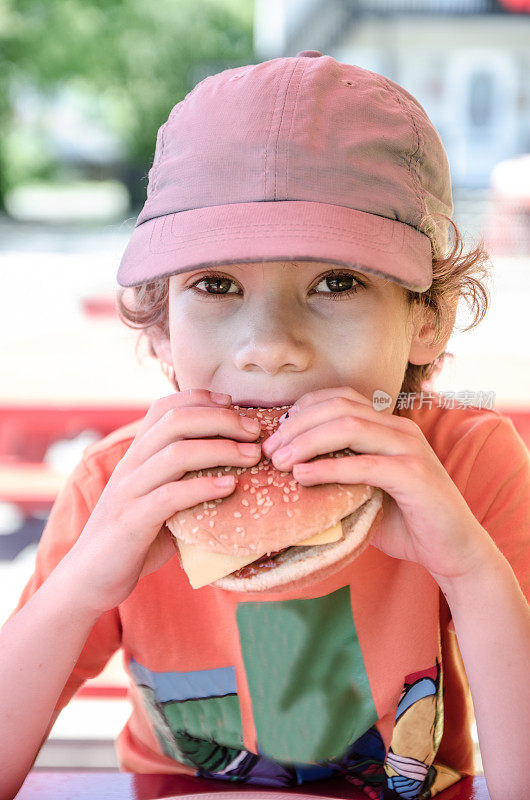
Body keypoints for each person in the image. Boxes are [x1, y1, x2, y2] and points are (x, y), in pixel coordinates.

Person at [1, 52, 529, 800]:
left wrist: (469, 569)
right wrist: (84, 584)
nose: (270, 347)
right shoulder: (115, 487)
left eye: (336, 282)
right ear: (160, 327)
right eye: (216, 284)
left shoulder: (469, 464)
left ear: (427, 322)